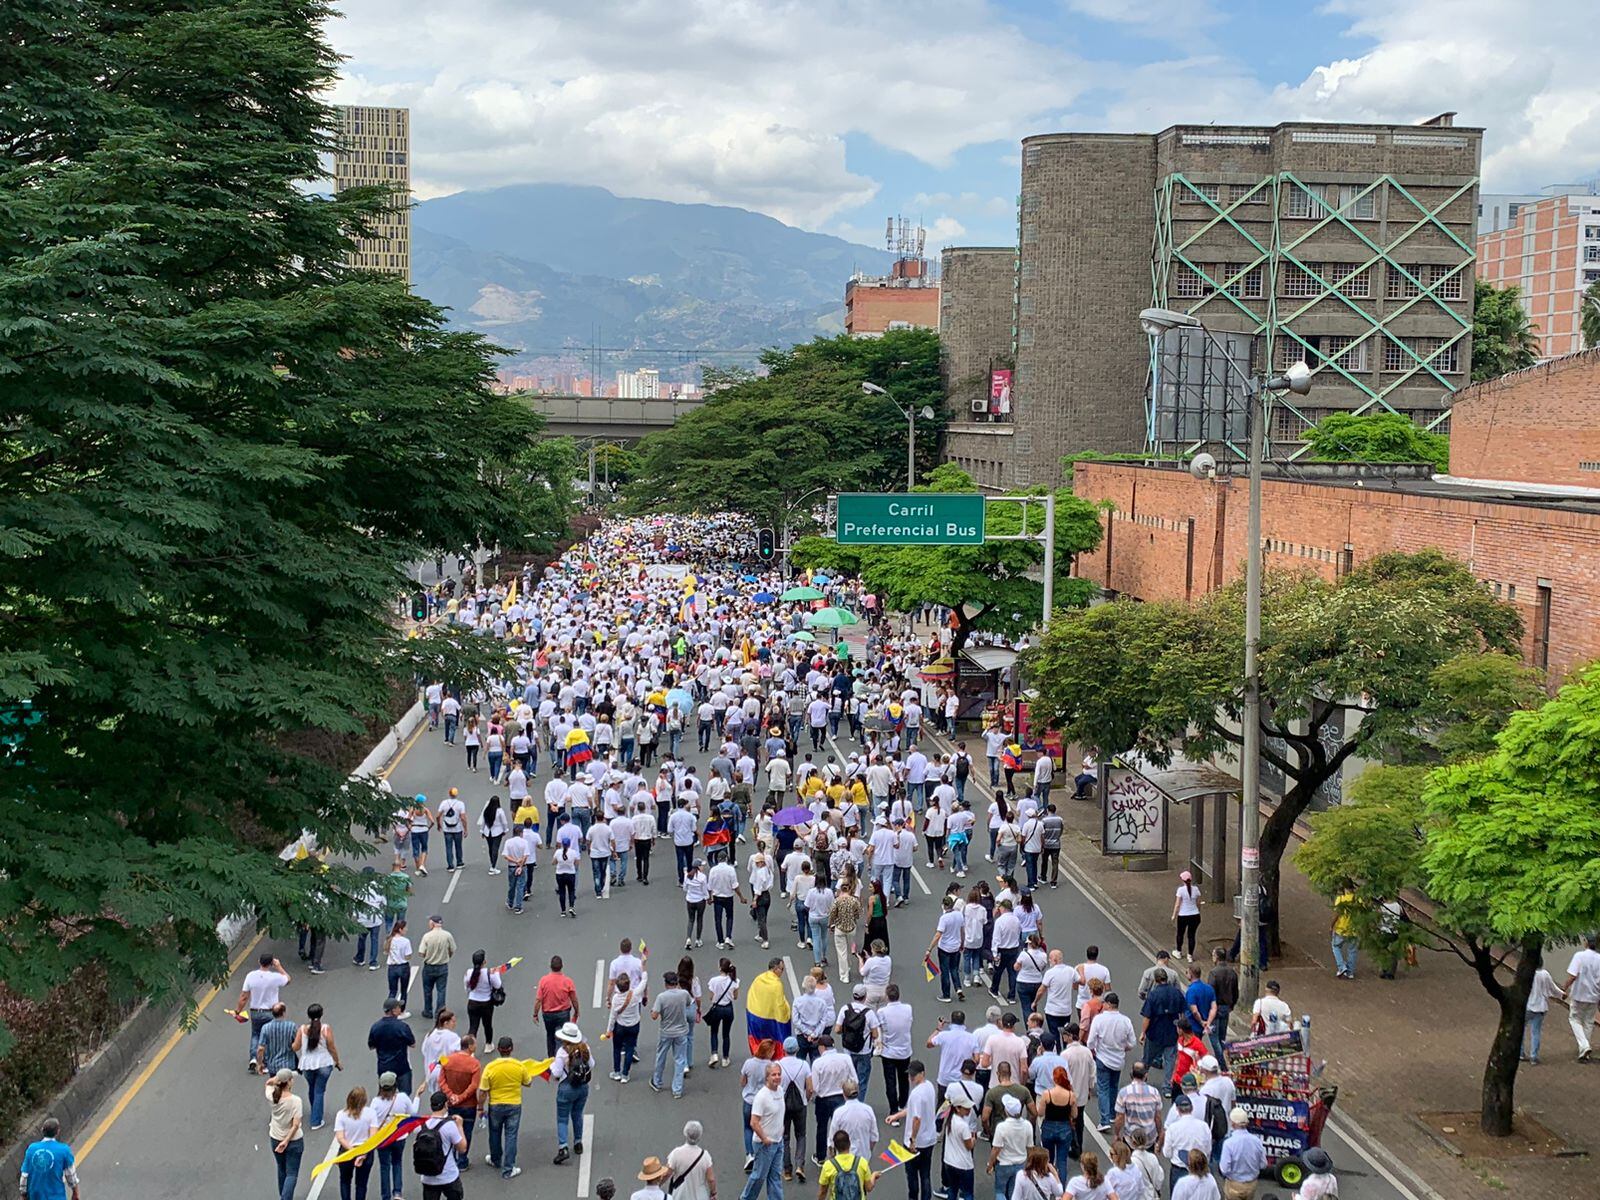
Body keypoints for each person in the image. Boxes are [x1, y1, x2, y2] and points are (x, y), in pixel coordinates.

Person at [478, 1035, 537, 1180]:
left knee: (494, 1133)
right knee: (511, 1136)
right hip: (514, 1105)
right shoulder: (518, 1066)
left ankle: (495, 1159)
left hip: (495, 1105)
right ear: (511, 1049)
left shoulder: (490, 1067)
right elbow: (528, 1082)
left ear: (498, 1049)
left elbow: (483, 1091)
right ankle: (509, 1168)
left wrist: (480, 1107)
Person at [1084, 992, 1135, 1132]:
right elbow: (1132, 1042)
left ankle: (1104, 1119)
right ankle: (1112, 1114)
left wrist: (1094, 1049)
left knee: (1103, 1089)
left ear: (1107, 1004)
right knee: (1114, 1086)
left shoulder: (1099, 1020)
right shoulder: (1125, 1021)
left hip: (1103, 1058)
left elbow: (1091, 1042)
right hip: (1118, 1059)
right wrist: (1123, 1048)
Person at [889, 1059, 937, 1200]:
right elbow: (914, 1110)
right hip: (929, 1139)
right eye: (910, 1075)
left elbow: (916, 1118)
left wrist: (913, 1140)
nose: (911, 1078)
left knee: (912, 1175)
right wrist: (897, 1115)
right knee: (925, 1173)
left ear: (922, 1073)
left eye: (913, 1075)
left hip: (915, 1142)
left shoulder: (916, 1094)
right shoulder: (929, 1087)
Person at [293, 1002, 342, 1130]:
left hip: (307, 1064)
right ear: (321, 1014)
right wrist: (337, 1061)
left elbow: (296, 1047)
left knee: (312, 1087)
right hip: (324, 1063)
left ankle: (315, 1110)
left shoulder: (303, 1029)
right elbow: (331, 1046)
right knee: (319, 1090)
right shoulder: (326, 1028)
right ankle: (316, 1120)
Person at [238, 952, 290, 1072]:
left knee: (255, 1034)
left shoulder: (250, 976)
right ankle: (265, 1062)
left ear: (259, 962)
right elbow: (288, 979)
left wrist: (238, 1010)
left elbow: (244, 996)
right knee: (268, 1037)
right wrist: (279, 966)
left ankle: (253, 1058)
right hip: (270, 1012)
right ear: (271, 964)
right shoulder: (275, 977)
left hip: (255, 1011)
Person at [741, 1062, 786, 1200]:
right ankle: (746, 1198)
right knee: (759, 1175)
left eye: (779, 1074)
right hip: (764, 1143)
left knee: (775, 1175)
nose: (777, 1077)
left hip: (778, 1142)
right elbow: (754, 1122)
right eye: (773, 1075)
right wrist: (765, 1139)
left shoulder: (780, 1091)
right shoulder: (762, 1096)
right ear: (767, 1077)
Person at [370, 1070, 417, 1200]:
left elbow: (371, 1121)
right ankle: (397, 1192)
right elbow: (412, 1114)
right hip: (399, 1137)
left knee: (384, 1166)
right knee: (397, 1162)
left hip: (383, 1139)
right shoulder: (402, 1098)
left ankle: (385, 1196)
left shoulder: (375, 1102)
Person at [551, 1022, 593, 1164]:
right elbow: (591, 1064)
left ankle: (563, 1147)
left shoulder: (562, 1053)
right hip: (582, 1087)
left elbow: (556, 1072)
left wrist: (551, 1066)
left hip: (566, 1087)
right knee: (577, 1114)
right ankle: (578, 1142)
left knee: (562, 1118)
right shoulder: (584, 1048)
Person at [438, 1036, 482, 1170]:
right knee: (466, 1132)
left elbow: (441, 1081)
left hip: (452, 1104)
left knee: (451, 1130)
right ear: (469, 1046)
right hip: (468, 1105)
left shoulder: (448, 1060)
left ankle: (451, 1158)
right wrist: (461, 1097)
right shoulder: (474, 1064)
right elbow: (474, 1086)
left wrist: (451, 1096)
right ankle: (462, 1160)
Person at [415, 1089, 468, 1200]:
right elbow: (462, 1148)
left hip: (428, 1177)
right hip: (448, 1175)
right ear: (445, 1105)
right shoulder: (449, 1126)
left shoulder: (422, 1126)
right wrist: (460, 1126)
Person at [651, 969, 694, 1098]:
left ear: (666, 983)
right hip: (681, 1031)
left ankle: (657, 1082)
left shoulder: (661, 997)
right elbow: (688, 1004)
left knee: (661, 1057)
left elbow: (654, 1015)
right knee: (680, 1060)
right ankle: (677, 1089)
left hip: (666, 1032)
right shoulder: (684, 994)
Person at [1160, 1094, 1213, 1195]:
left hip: (1179, 1170)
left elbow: (1167, 1153)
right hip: (1200, 1170)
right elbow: (1208, 1149)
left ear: (1177, 1110)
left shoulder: (1173, 1128)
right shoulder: (1204, 1126)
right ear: (1192, 1108)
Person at [265, 1068, 305, 1200]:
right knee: (292, 1173)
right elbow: (295, 1124)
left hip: (275, 1137)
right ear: (288, 1082)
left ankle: (283, 1195)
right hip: (293, 1140)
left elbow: (268, 1083)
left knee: (281, 1168)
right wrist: (287, 1141)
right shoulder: (295, 1101)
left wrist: (275, 1080)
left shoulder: (272, 1096)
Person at [19, 1118, 81, 1200]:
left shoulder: (31, 1149)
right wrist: (75, 1193)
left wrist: (23, 1194)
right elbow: (71, 1175)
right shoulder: (64, 1150)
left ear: (42, 1130)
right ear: (58, 1131)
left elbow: (24, 1176)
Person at [987, 1093, 1033, 1200]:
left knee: (1000, 1191)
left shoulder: (1002, 1127)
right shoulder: (1027, 1125)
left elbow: (996, 1149)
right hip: (1020, 1163)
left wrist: (990, 1164)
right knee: (1014, 1193)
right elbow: (1030, 1148)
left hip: (1004, 1164)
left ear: (1006, 1111)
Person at [332, 1086, 375, 1200]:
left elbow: (340, 1138)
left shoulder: (341, 1114)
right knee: (361, 1184)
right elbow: (373, 1137)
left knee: (345, 1181)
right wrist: (362, 1153)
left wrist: (353, 1152)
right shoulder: (371, 1113)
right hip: (365, 1151)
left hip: (347, 1151)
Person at [1036, 1066, 1078, 1182]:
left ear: (1054, 1079)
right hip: (1064, 1128)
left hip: (1048, 1126)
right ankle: (1061, 1190)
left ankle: (1049, 1186)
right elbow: (1075, 1115)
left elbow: (1040, 1113)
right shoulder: (1071, 1095)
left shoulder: (1047, 1094)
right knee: (1062, 1161)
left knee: (1048, 1160)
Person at [534, 955, 581, 1057]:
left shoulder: (544, 981)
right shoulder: (567, 981)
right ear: (562, 966)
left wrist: (535, 1014)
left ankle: (551, 1059)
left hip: (548, 1014)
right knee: (562, 1037)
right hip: (563, 1014)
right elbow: (574, 999)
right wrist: (576, 1011)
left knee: (550, 1036)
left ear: (550, 966)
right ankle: (561, 1058)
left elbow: (538, 1000)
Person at [1564, 933, 1600, 1062]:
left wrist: (1565, 988)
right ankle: (1584, 1052)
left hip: (1579, 994)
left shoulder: (1579, 956)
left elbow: (1573, 975)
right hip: (1594, 995)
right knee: (1588, 1022)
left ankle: (1584, 1046)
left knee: (1574, 1019)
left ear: (1586, 942)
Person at [368, 997, 416, 1094]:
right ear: (393, 1010)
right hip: (401, 1067)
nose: (400, 1009)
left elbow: (371, 1046)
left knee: (385, 1095)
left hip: (384, 1067)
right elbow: (413, 1044)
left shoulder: (375, 1027)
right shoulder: (402, 1027)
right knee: (405, 1094)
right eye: (399, 1007)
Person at [817, 1129, 880, 1200]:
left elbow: (823, 1192)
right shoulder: (861, 1162)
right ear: (849, 1144)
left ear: (835, 1146)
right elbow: (868, 1187)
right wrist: (874, 1176)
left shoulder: (828, 1165)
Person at [939, 1085, 978, 1200]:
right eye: (966, 1108)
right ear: (957, 1108)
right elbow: (969, 1146)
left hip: (949, 1162)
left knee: (952, 1190)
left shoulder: (950, 1121)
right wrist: (974, 1140)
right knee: (967, 1193)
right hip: (963, 1165)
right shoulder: (963, 1126)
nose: (969, 1110)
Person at [1217, 1108, 1266, 1199]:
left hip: (1234, 1184)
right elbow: (1263, 1164)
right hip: (1251, 1184)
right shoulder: (1257, 1141)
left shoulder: (1229, 1143)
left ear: (1233, 1123)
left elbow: (1224, 1169)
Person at [1524, 959, 1565, 1064]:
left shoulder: (1527, 973)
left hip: (1528, 1006)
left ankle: (1520, 1053)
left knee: (1521, 1029)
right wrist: (1562, 994)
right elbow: (1553, 988)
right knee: (1536, 1032)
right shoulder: (1545, 974)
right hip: (1541, 1007)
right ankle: (1534, 1056)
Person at [418, 914, 458, 1021]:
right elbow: (453, 949)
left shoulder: (427, 936)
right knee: (441, 990)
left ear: (432, 923)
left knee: (427, 990)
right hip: (442, 966)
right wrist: (447, 956)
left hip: (429, 966)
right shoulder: (447, 935)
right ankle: (440, 1012)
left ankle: (428, 1011)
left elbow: (421, 952)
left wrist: (428, 955)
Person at [666, 1121, 717, 1200]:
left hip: (680, 1196)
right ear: (699, 1136)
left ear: (685, 1133)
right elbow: (711, 1179)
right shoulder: (705, 1156)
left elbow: (667, 1174)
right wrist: (713, 1193)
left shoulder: (676, 1153)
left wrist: (656, 1186)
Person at [707, 958, 741, 1068]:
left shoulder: (713, 981)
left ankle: (714, 1054)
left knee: (714, 1032)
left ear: (720, 968)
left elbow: (711, 997)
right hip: (728, 1008)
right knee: (726, 1034)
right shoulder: (734, 981)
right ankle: (725, 1058)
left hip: (717, 1008)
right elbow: (735, 997)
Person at [464, 949, 504, 1044]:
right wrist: (497, 973)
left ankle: (470, 1048)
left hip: (472, 1002)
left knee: (473, 1026)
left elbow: (467, 988)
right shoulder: (490, 972)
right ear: (484, 962)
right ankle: (488, 1044)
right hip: (486, 1003)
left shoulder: (468, 973)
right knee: (487, 1025)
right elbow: (498, 985)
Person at [384, 918, 414, 1017]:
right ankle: (401, 1011)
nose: (406, 929)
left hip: (392, 967)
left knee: (392, 990)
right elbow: (408, 955)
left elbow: (386, 952)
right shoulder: (405, 941)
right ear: (400, 929)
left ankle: (389, 1010)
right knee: (403, 990)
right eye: (405, 928)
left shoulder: (389, 939)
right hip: (403, 967)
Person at [1330, 887, 1360, 979]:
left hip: (1341, 928)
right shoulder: (1358, 899)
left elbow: (1337, 914)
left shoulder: (1341, 899)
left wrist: (1331, 926)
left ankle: (1341, 967)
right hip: (1354, 929)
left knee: (1336, 946)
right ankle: (1350, 972)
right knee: (1352, 951)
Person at [1173, 872, 1201, 963]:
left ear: (1182, 880)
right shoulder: (1196, 889)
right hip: (1195, 915)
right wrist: (1198, 910)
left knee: (1180, 934)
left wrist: (1174, 915)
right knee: (1191, 935)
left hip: (1183, 915)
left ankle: (1178, 951)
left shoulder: (1180, 890)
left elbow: (1177, 905)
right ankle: (1190, 955)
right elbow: (1198, 903)